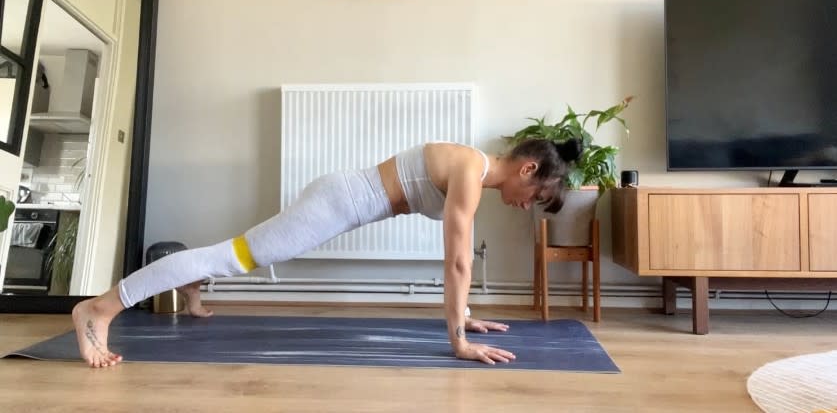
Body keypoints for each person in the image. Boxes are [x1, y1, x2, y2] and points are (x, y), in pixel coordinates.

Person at [72, 138, 582, 368]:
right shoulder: (470, 172)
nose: (524, 207)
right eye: (534, 198)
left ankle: (190, 288)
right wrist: (458, 342)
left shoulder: (469, 169)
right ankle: (100, 307)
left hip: (339, 198)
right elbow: (457, 260)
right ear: (528, 170)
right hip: (337, 204)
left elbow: (455, 260)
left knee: (230, 256)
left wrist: (464, 316)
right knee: (231, 257)